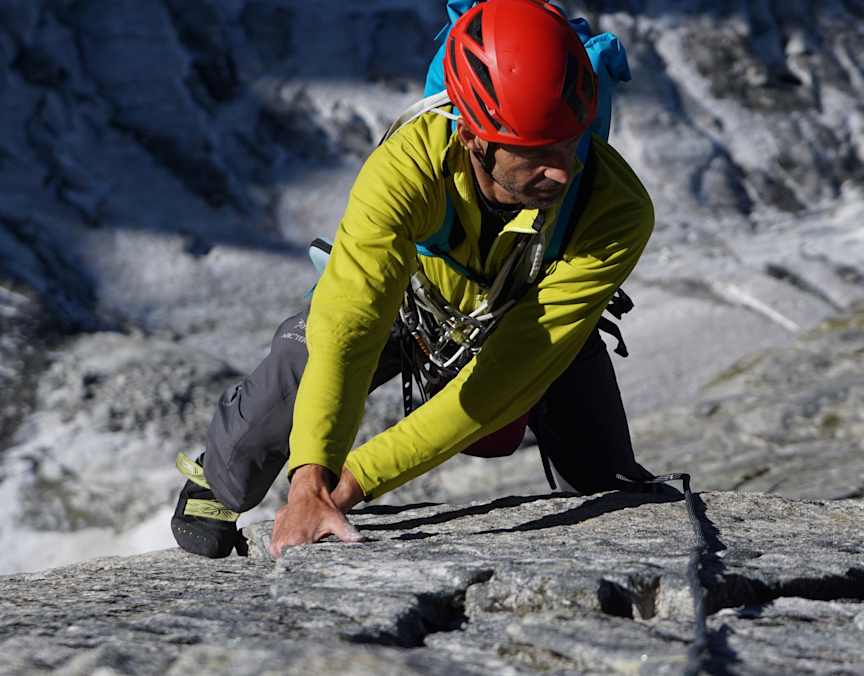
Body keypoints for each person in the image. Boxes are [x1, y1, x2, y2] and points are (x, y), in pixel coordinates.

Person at [170, 0, 659, 559]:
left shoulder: (614, 207)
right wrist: (309, 480)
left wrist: (350, 484)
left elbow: (507, 379)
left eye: (571, 142)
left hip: (525, 320)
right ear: (474, 136)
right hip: (412, 307)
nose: (562, 170)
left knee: (612, 495)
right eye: (536, 153)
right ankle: (221, 478)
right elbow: (349, 327)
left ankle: (605, 477)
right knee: (307, 349)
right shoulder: (410, 167)